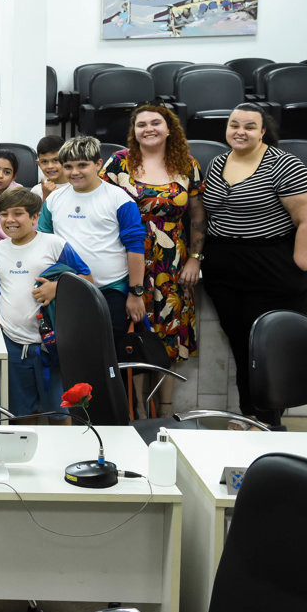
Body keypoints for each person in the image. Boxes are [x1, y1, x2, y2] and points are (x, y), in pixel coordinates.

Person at [201, 103, 307, 424]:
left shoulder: (285, 165)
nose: (240, 131)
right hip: (225, 268)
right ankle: (248, 416)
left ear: (263, 131)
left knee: (268, 351)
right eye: (234, 125)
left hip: (272, 269)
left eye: (249, 126)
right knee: (242, 347)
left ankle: (268, 422)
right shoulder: (217, 161)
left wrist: (300, 266)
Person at [100, 104, 205, 415]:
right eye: (141, 124)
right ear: (133, 132)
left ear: (169, 127)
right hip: (128, 258)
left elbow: (198, 214)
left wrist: (196, 258)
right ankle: (136, 411)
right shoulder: (119, 163)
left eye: (155, 122)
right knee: (132, 335)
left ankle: (166, 411)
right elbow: (96, 201)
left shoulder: (187, 163)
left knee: (168, 334)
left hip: (173, 264)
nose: (148, 128)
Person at [0, 188, 91, 420]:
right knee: (21, 413)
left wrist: (57, 288)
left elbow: (87, 281)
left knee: (59, 412)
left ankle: (63, 455)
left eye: (18, 214)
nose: (9, 220)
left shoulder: (54, 244)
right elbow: (5, 287)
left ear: (35, 217)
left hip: (49, 346)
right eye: (4, 214)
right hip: (13, 344)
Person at [39, 135, 147, 347]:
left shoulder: (119, 199)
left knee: (109, 356)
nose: (75, 172)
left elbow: (135, 249)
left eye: (82, 165)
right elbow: (44, 245)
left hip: (111, 290)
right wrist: (54, 285)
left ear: (98, 164)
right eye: (68, 166)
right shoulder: (53, 200)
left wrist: (135, 294)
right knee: (74, 354)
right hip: (68, 291)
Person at [31, 135, 67, 200]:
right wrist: (46, 197)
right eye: (44, 161)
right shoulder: (36, 191)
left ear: (66, 160)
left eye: (56, 160)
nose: (50, 166)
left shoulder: (77, 187)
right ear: (39, 164)